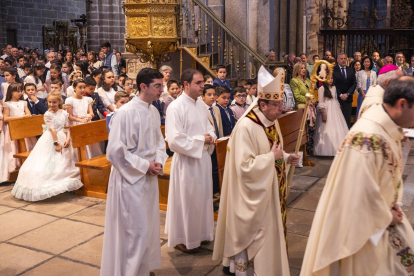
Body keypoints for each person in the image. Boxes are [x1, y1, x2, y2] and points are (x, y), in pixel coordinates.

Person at [300, 78, 414, 276]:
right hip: (361, 232)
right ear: (402, 104)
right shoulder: (368, 140)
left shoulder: (384, 127)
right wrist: (387, 216)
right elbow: (357, 195)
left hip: (378, 221)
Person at [213, 66, 300, 276]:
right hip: (252, 195)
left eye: (281, 103)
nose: (282, 108)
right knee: (257, 233)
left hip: (270, 191)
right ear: (262, 104)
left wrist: (287, 157)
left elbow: (273, 151)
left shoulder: (270, 121)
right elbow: (245, 168)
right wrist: (272, 158)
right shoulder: (246, 127)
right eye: (277, 104)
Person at [100, 68, 168, 276]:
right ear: (143, 86)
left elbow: (159, 142)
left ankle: (141, 269)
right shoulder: (125, 113)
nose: (161, 90)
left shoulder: (153, 110)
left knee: (147, 228)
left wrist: (157, 161)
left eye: (162, 85)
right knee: (134, 231)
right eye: (158, 86)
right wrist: (144, 165)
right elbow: (114, 152)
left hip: (149, 177)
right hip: (130, 180)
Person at [164, 68, 216, 253]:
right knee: (187, 201)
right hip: (187, 162)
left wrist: (210, 136)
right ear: (186, 84)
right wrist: (203, 139)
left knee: (202, 198)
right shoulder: (175, 107)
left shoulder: (200, 104)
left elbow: (210, 127)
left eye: (203, 82)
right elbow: (174, 140)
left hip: (202, 159)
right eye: (199, 83)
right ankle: (183, 238)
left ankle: (200, 235)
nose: (203, 86)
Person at [11, 91, 82, 201]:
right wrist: (56, 143)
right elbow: (52, 130)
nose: (52, 104)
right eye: (49, 102)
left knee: (67, 160)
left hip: (63, 137)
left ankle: (67, 184)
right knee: (51, 161)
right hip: (52, 139)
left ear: (59, 102)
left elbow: (67, 126)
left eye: (54, 102)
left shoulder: (63, 112)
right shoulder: (48, 114)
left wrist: (68, 139)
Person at [3, 83, 37, 174]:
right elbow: (6, 118)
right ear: (11, 92)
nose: (20, 93)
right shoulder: (7, 104)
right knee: (14, 147)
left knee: (28, 146)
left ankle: (28, 167)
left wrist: (25, 116)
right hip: (13, 128)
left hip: (23, 127)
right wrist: (20, 117)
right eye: (17, 91)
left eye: (21, 91)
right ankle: (16, 167)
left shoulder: (23, 102)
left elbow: (28, 114)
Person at [65, 79, 102, 159]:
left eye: (84, 87)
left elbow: (91, 113)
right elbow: (70, 116)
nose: (82, 90)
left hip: (86, 122)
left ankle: (91, 159)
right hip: (76, 124)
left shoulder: (87, 99)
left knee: (90, 145)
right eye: (80, 87)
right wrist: (80, 120)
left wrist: (89, 116)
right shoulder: (70, 100)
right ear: (74, 88)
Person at [313, 78, 349, 156]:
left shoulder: (334, 87)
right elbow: (321, 102)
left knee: (336, 127)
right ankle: (326, 149)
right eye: (329, 78)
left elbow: (335, 99)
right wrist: (323, 114)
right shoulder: (321, 89)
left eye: (332, 78)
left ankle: (338, 147)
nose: (330, 80)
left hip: (335, 109)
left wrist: (338, 109)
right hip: (327, 109)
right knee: (326, 127)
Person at [333, 52, 357, 128]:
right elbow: (333, 84)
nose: (343, 60)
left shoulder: (351, 70)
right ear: (337, 60)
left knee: (347, 119)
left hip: (348, 98)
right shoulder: (333, 70)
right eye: (341, 59)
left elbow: (354, 83)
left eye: (345, 59)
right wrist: (340, 94)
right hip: (337, 98)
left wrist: (348, 94)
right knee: (337, 119)